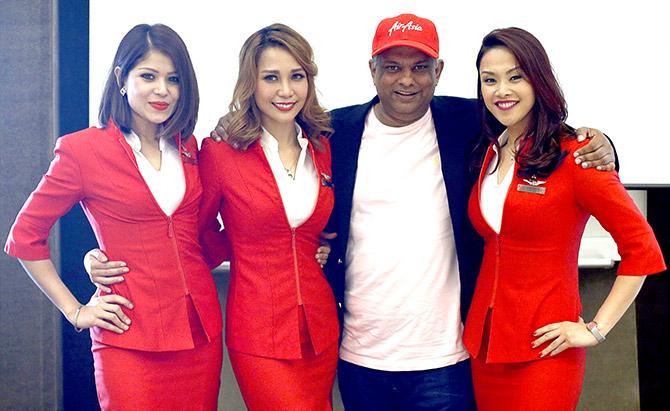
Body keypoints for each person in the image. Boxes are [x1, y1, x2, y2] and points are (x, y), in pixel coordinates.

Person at [210, 14, 616, 410]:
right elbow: (293, 199)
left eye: (420, 67)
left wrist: (604, 144)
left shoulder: (469, 123)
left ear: (438, 70)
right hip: (357, 354)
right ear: (372, 70)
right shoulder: (334, 131)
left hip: (447, 359)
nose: (406, 79)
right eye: (392, 67)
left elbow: (542, 131)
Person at [89, 23, 339, 410]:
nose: (286, 91)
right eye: (271, 77)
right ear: (250, 83)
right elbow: (191, 231)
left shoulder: (323, 147)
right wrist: (104, 259)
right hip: (259, 329)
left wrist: (317, 243)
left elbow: (322, 225)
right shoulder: (221, 154)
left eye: (297, 77)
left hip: (321, 328)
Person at [4, 24, 224, 410]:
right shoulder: (82, 150)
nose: (163, 90)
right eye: (148, 76)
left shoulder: (189, 147)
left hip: (198, 335)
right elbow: (24, 237)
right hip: (127, 335)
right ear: (122, 79)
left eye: (173, 79)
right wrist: (76, 311)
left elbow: (197, 239)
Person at [462, 27, 665, 410]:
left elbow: (642, 248)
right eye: (490, 80)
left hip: (546, 348)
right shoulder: (489, 149)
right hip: (485, 346)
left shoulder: (576, 155)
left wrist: (596, 330)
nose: (502, 90)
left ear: (539, 79)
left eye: (515, 76)